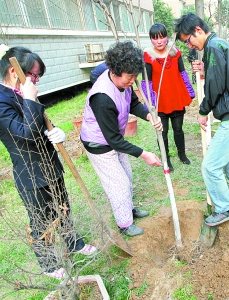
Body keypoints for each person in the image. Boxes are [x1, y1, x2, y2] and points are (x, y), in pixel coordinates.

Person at [0, 43, 96, 280]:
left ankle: (73, 243)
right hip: (31, 174)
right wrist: (31, 100)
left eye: (37, 76)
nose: (36, 80)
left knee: (63, 209)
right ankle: (49, 263)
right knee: (41, 220)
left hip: (50, 166)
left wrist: (55, 132)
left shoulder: (22, 93)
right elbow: (25, 134)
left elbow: (40, 124)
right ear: (15, 71)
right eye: (33, 75)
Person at [175, 13, 229, 226]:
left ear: (198, 30)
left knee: (210, 166)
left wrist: (203, 110)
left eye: (188, 40)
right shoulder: (218, 45)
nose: (189, 46)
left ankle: (224, 209)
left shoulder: (214, 47)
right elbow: (221, 75)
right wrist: (206, 70)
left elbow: (216, 86)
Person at [80, 41, 163, 237]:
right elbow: (114, 141)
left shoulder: (123, 82)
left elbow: (133, 103)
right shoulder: (102, 97)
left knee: (126, 175)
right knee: (118, 183)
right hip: (99, 144)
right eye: (129, 77)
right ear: (115, 71)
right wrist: (144, 154)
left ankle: (129, 210)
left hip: (113, 137)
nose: (132, 80)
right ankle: (124, 224)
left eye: (135, 76)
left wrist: (149, 115)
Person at [141, 23, 195, 172]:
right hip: (160, 102)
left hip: (176, 98)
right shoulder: (148, 56)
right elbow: (147, 82)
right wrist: (150, 102)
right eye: (155, 38)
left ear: (166, 37)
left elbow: (183, 73)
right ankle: (166, 159)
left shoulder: (175, 52)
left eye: (162, 37)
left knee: (178, 129)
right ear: (151, 40)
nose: (159, 41)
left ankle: (182, 155)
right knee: (162, 132)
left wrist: (190, 91)